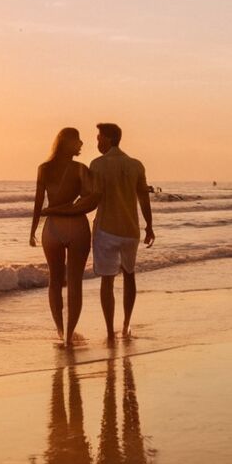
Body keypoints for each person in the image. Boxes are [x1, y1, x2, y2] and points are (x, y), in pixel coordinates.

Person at [31, 127, 98, 347]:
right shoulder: (80, 169)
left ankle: (60, 330)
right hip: (76, 225)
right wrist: (69, 207)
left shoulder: (44, 169)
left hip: (52, 228)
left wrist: (33, 230)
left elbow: (39, 202)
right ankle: (69, 335)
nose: (81, 144)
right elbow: (90, 198)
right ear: (67, 142)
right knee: (75, 282)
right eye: (77, 140)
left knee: (55, 280)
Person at [90, 123, 155, 342]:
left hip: (106, 230)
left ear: (109, 139)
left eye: (99, 138)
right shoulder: (136, 165)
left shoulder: (97, 165)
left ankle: (110, 332)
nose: (97, 142)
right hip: (131, 230)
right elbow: (143, 198)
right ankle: (126, 325)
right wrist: (149, 226)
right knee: (129, 275)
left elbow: (92, 197)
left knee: (107, 281)